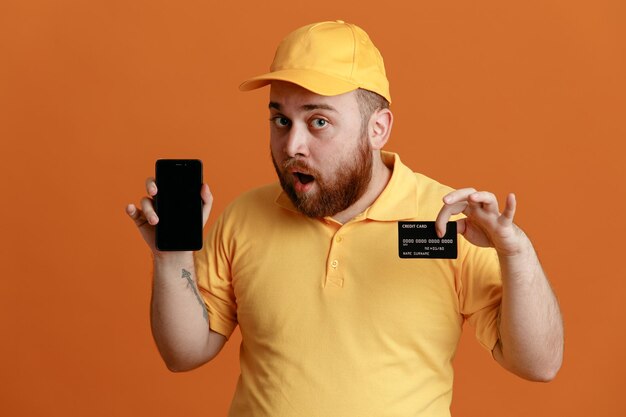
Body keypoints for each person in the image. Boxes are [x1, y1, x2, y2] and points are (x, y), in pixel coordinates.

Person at [126, 20, 563, 417]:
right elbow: (182, 354)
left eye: (318, 121)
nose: (292, 144)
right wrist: (171, 257)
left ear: (378, 129)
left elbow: (539, 364)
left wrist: (516, 252)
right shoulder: (244, 217)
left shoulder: (449, 220)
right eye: (280, 119)